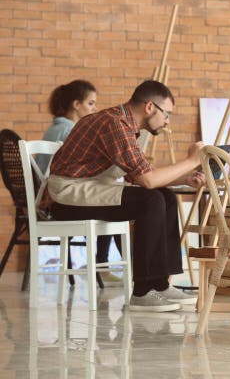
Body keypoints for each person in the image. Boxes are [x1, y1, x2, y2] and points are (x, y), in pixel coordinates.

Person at [44, 80, 205, 312]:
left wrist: (184, 179)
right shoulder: (114, 124)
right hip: (67, 196)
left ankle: (159, 284)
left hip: (91, 188)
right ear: (150, 107)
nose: (167, 121)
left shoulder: (125, 125)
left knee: (165, 197)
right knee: (150, 199)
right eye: (167, 113)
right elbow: (147, 180)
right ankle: (141, 292)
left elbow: (137, 175)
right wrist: (191, 161)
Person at [40, 80, 124, 287]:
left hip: (44, 197)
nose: (95, 109)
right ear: (76, 105)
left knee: (108, 197)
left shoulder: (55, 128)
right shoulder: (72, 131)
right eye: (91, 103)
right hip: (57, 198)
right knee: (111, 200)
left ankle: (104, 266)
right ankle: (108, 267)